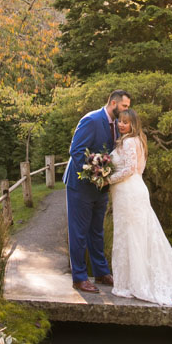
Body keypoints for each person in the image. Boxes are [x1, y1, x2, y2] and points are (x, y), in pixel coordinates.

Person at [109, 108, 172, 305]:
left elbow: (128, 170)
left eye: (125, 122)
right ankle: (136, 279)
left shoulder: (128, 142)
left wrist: (106, 180)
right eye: (120, 121)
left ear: (133, 125)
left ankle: (133, 282)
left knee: (131, 236)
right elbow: (139, 170)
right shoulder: (139, 140)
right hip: (135, 189)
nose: (121, 125)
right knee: (138, 235)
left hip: (128, 192)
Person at [63, 89, 132, 293]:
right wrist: (95, 173)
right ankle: (79, 277)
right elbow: (76, 152)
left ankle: (101, 272)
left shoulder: (118, 126)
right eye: (125, 106)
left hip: (102, 188)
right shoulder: (91, 120)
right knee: (79, 232)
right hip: (81, 186)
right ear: (113, 103)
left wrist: (105, 179)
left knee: (97, 232)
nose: (127, 110)